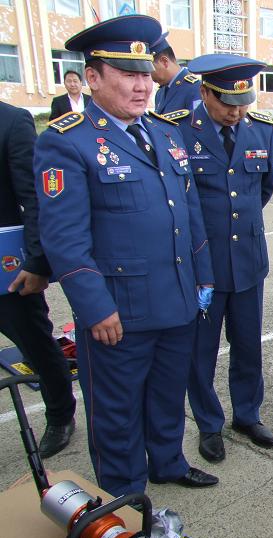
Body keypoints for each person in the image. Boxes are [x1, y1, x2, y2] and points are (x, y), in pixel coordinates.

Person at [34, 15, 218, 496]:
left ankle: (168, 462)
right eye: (127, 74)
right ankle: (124, 493)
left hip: (178, 301)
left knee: (166, 394)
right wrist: (95, 308)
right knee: (115, 410)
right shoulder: (66, 141)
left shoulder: (164, 132)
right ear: (93, 78)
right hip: (121, 311)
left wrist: (203, 277)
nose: (142, 86)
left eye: (145, 74)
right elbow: (64, 239)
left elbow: (190, 212)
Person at [173, 54, 273, 463]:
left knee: (249, 345)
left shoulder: (261, 130)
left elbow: (263, 189)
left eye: (243, 102)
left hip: (249, 260)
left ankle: (247, 415)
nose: (236, 112)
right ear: (204, 93)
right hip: (203, 265)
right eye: (227, 103)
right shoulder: (179, 129)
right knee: (201, 351)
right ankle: (208, 424)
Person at [0, 100, 77, 458]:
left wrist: (37, 261)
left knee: (35, 343)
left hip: (7, 267)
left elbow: (34, 199)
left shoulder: (12, 122)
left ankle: (61, 414)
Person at [151, 31, 201, 114]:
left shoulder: (195, 89)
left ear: (164, 62)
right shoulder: (160, 93)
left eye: (150, 69)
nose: (150, 76)